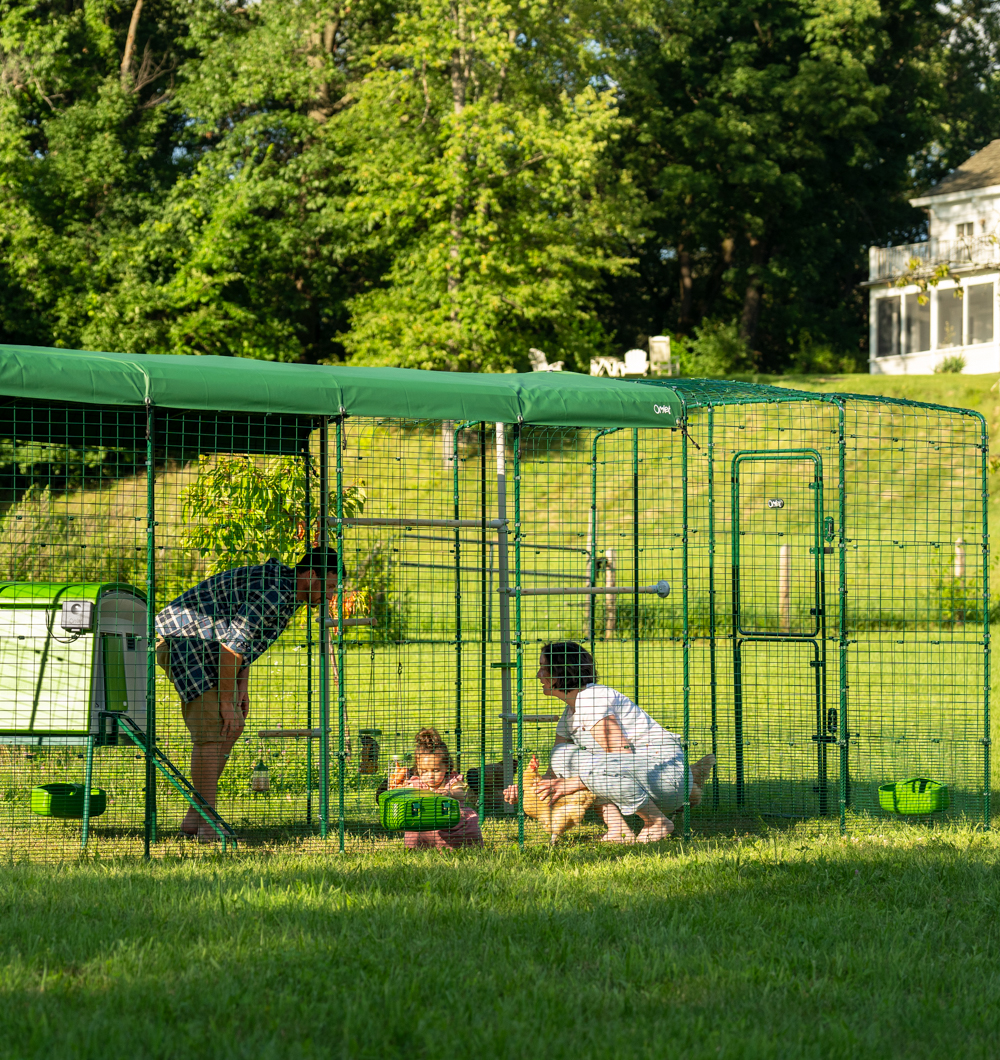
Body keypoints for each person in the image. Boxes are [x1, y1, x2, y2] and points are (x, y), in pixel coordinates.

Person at [155, 546, 339, 841]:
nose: (331, 597)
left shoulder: (286, 590)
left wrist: (241, 687)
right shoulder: (276, 595)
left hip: (210, 644)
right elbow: (231, 647)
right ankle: (208, 825)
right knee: (212, 730)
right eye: (329, 587)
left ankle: (195, 818)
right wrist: (226, 701)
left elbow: (241, 639)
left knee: (233, 726)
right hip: (184, 640)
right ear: (310, 575)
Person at [504, 641, 715, 843]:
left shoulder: (592, 700)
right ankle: (618, 830)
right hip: (646, 782)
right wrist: (527, 789)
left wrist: (574, 782)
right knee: (561, 756)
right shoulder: (571, 711)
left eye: (543, 667)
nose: (538, 675)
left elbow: (621, 758)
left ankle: (657, 822)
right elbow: (557, 771)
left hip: (664, 777)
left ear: (561, 671)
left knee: (585, 766)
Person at [392, 727, 483, 849]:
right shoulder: (417, 783)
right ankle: (415, 848)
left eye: (435, 770)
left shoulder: (452, 780)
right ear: (417, 769)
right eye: (424, 771)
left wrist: (448, 792)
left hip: (452, 819)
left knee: (470, 821)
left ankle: (464, 847)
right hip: (425, 821)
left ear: (447, 766)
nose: (430, 776)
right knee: (414, 830)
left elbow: (461, 793)